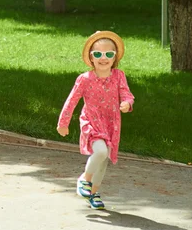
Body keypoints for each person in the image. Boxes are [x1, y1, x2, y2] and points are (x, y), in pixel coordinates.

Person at [57, 30, 134, 210]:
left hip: (111, 124)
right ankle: (85, 179)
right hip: (91, 121)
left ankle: (94, 193)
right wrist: (63, 122)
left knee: (104, 159)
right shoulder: (85, 79)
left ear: (115, 58)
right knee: (99, 152)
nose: (103, 58)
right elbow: (72, 100)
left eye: (109, 54)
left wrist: (127, 103)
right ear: (91, 58)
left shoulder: (118, 76)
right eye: (98, 54)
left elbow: (126, 93)